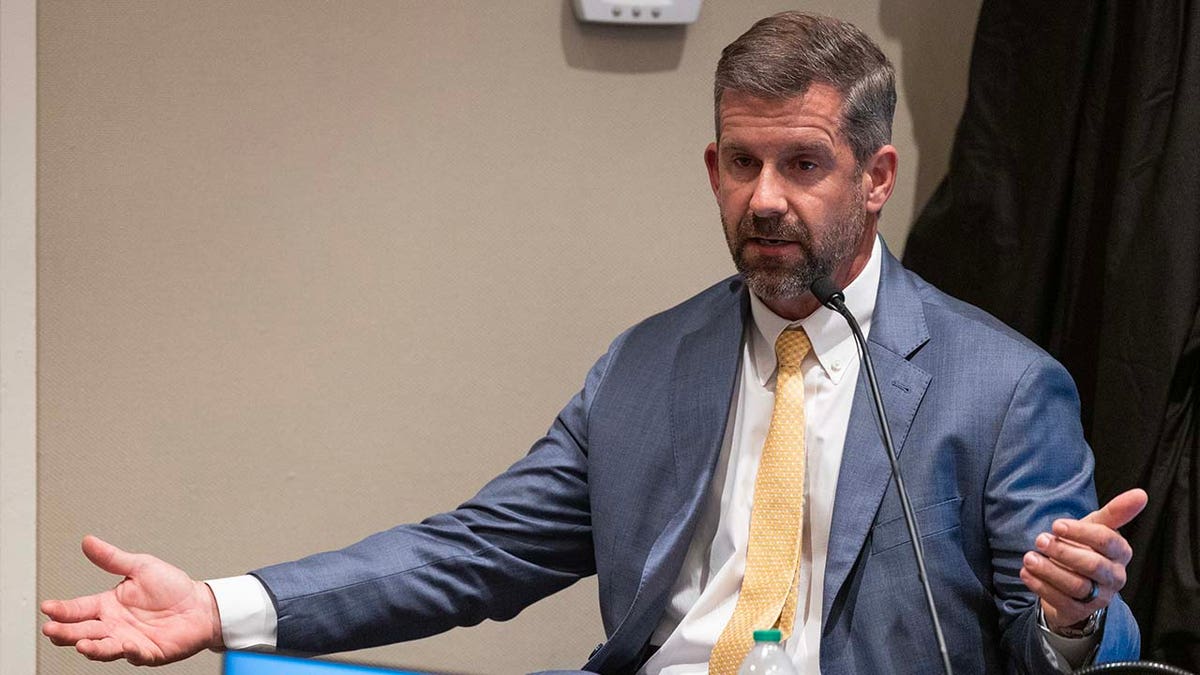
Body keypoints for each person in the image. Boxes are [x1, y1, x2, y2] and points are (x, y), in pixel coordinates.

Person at [42, 12, 1146, 675]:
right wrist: (221, 603)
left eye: (802, 165)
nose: (765, 198)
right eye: (740, 163)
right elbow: (472, 552)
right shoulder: (647, 366)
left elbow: (1062, 641)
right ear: (712, 168)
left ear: (877, 176)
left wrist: (1068, 614)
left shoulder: (1000, 387)